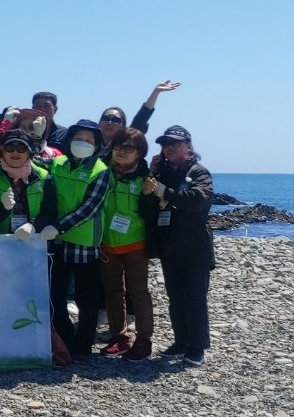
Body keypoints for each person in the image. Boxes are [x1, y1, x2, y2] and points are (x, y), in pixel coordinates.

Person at [34, 119, 112, 361]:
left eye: (89, 140)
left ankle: (84, 344)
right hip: (56, 241)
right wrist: (37, 137)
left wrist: (58, 226)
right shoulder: (58, 163)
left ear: (97, 145)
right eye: (78, 138)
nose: (83, 143)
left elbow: (88, 208)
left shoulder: (101, 171)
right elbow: (30, 161)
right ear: (69, 140)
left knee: (86, 298)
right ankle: (66, 339)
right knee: (56, 295)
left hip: (84, 242)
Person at [147, 125, 214, 366]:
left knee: (194, 297)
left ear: (188, 146)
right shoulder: (162, 171)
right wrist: (152, 174)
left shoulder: (198, 171)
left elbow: (198, 200)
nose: (169, 148)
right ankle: (181, 341)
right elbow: (148, 202)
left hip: (195, 245)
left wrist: (165, 193)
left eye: (175, 143)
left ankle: (198, 347)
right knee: (175, 296)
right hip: (169, 244)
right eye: (165, 144)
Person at [99, 127, 160, 361]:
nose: (122, 151)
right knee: (112, 291)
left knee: (139, 291)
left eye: (129, 148)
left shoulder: (146, 177)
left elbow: (151, 214)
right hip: (106, 243)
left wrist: (147, 196)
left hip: (136, 243)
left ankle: (144, 340)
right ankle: (119, 337)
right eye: (118, 146)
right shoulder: (101, 171)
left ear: (139, 153)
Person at [0, 129, 50, 236]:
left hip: (33, 239)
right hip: (0, 240)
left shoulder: (44, 177)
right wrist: (3, 208)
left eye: (21, 148)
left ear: (28, 153)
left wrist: (33, 226)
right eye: (10, 148)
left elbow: (50, 212)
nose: (15, 152)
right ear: (3, 152)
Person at [96, 80, 181, 156]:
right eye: (105, 118)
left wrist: (156, 92)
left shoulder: (129, 139)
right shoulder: (91, 142)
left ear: (123, 126)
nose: (109, 122)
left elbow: (142, 117)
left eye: (115, 120)